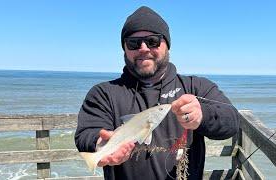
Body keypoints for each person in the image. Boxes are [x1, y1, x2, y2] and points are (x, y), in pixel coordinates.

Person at [75, 6, 240, 180]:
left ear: (167, 45)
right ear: (124, 48)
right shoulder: (103, 93)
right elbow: (86, 133)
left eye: (153, 41)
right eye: (133, 43)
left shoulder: (196, 86)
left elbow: (231, 121)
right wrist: (98, 143)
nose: (143, 48)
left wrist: (203, 116)